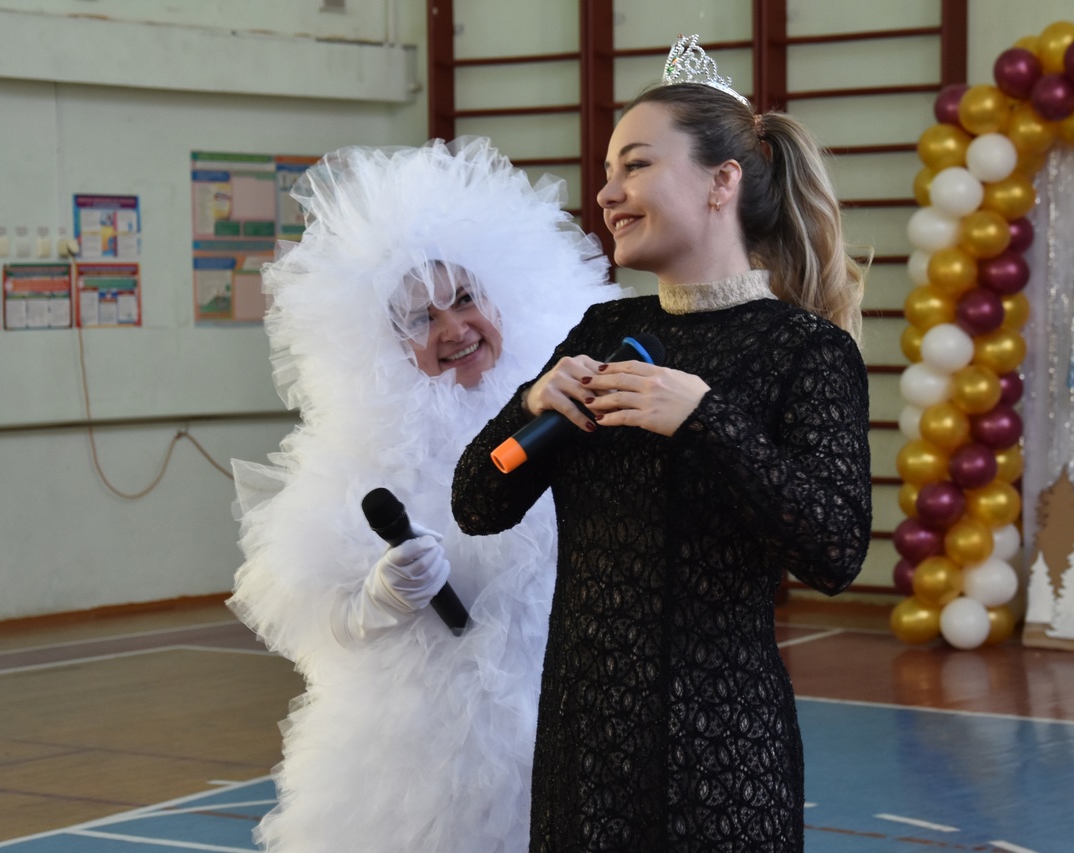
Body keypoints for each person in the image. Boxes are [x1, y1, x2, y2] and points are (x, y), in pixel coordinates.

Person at [452, 35, 872, 852]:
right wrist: (527, 407)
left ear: (722, 181)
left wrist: (705, 419)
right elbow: (478, 501)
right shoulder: (604, 330)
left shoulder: (804, 350)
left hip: (721, 747)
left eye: (636, 166)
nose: (607, 193)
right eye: (608, 172)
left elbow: (835, 549)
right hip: (584, 747)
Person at [228, 139, 614, 853]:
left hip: (571, 709)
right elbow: (316, 620)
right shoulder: (354, 452)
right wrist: (380, 596)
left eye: (464, 300)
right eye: (420, 319)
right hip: (424, 753)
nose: (454, 329)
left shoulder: (570, 409)